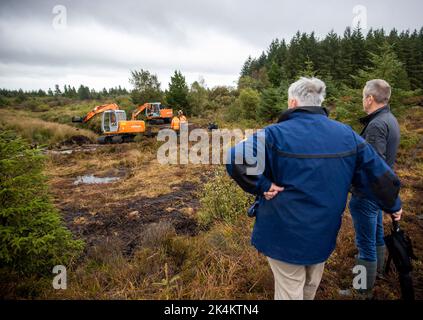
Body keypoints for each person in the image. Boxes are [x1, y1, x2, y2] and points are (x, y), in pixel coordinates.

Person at [226, 77, 402, 300]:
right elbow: (377, 171)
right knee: (310, 286)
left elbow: (236, 157)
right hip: (323, 233)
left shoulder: (273, 134)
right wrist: (393, 204)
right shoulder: (347, 135)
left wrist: (262, 185)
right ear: (320, 102)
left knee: (291, 292)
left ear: (292, 103)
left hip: (283, 236)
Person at [349, 79, 402, 296]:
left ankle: (362, 290)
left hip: (368, 193)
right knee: (376, 234)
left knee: (365, 244)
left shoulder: (377, 124)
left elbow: (374, 164)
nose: (363, 101)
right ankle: (377, 274)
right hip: (379, 193)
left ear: (370, 98)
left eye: (364, 97)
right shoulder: (389, 118)